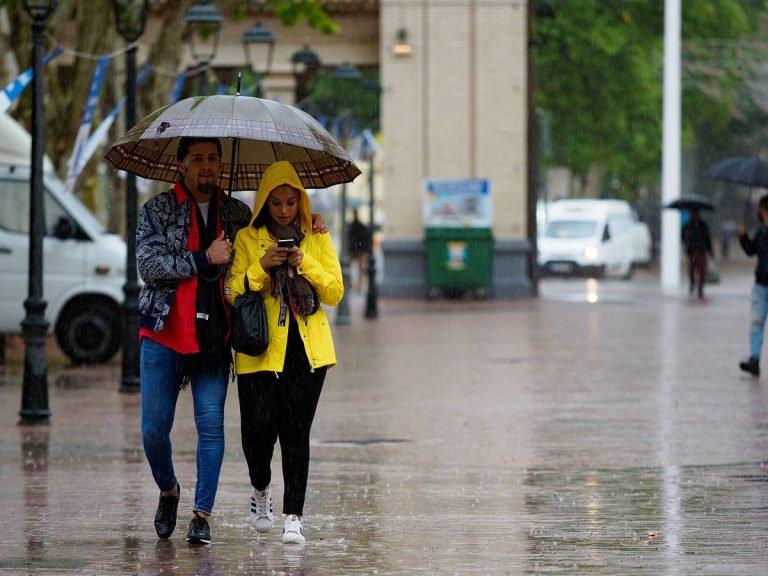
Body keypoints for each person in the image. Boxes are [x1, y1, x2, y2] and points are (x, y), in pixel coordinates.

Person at [136, 136, 251, 544]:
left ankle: (202, 513)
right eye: (198, 159)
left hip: (214, 337)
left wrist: (310, 225)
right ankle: (169, 490)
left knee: (211, 425)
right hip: (164, 331)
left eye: (213, 159)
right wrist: (204, 258)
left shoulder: (237, 213)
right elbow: (149, 266)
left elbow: (266, 244)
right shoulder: (157, 210)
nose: (207, 166)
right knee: (153, 429)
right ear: (180, 165)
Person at [226, 160, 343, 544]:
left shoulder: (315, 235)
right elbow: (232, 290)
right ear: (264, 203)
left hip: (306, 352)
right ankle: (261, 491)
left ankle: (294, 515)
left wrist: (303, 261)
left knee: (295, 433)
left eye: (291, 202)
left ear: (301, 201)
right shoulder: (247, 238)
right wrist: (263, 265)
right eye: (275, 203)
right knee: (255, 436)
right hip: (258, 350)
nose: (284, 210)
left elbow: (334, 292)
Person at [738, 195, 768, 377]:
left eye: (759, 208)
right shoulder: (760, 231)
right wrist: (743, 238)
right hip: (760, 286)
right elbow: (751, 250)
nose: (756, 211)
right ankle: (754, 360)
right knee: (756, 324)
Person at [682, 207, 713, 299]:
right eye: (692, 214)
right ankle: (692, 283)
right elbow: (683, 238)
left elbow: (707, 239)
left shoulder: (703, 225)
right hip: (691, 251)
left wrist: (710, 251)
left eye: (695, 213)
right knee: (691, 269)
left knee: (702, 270)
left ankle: (700, 288)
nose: (694, 215)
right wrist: (686, 235)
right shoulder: (687, 226)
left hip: (701, 251)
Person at [347, 208, 369, 294]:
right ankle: (356, 286)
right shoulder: (360, 226)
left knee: (355, 268)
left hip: (355, 250)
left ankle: (355, 286)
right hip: (358, 250)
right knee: (359, 269)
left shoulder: (352, 226)